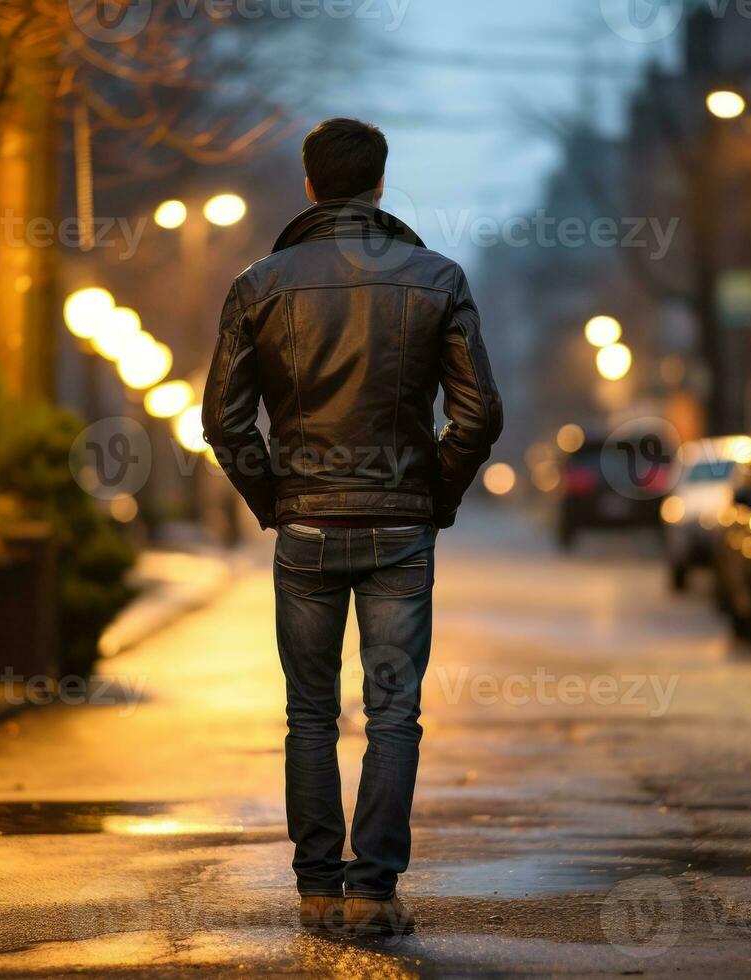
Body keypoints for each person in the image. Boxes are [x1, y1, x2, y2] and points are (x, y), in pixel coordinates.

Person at [202, 118, 503, 936]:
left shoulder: (258, 285)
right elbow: (478, 414)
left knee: (309, 713)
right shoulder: (435, 277)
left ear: (309, 184)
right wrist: (430, 496)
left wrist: (277, 501)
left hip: (304, 526)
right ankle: (372, 892)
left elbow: (226, 424)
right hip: (399, 528)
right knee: (393, 714)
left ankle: (315, 890)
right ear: (378, 184)